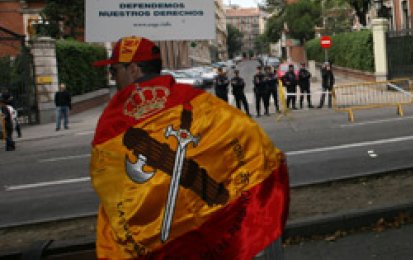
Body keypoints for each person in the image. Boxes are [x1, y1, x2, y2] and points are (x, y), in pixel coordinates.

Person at [90, 36, 289, 258]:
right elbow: (248, 137)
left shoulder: (114, 121)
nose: (113, 78)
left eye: (114, 71)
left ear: (134, 69)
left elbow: (109, 182)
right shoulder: (200, 101)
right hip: (206, 234)